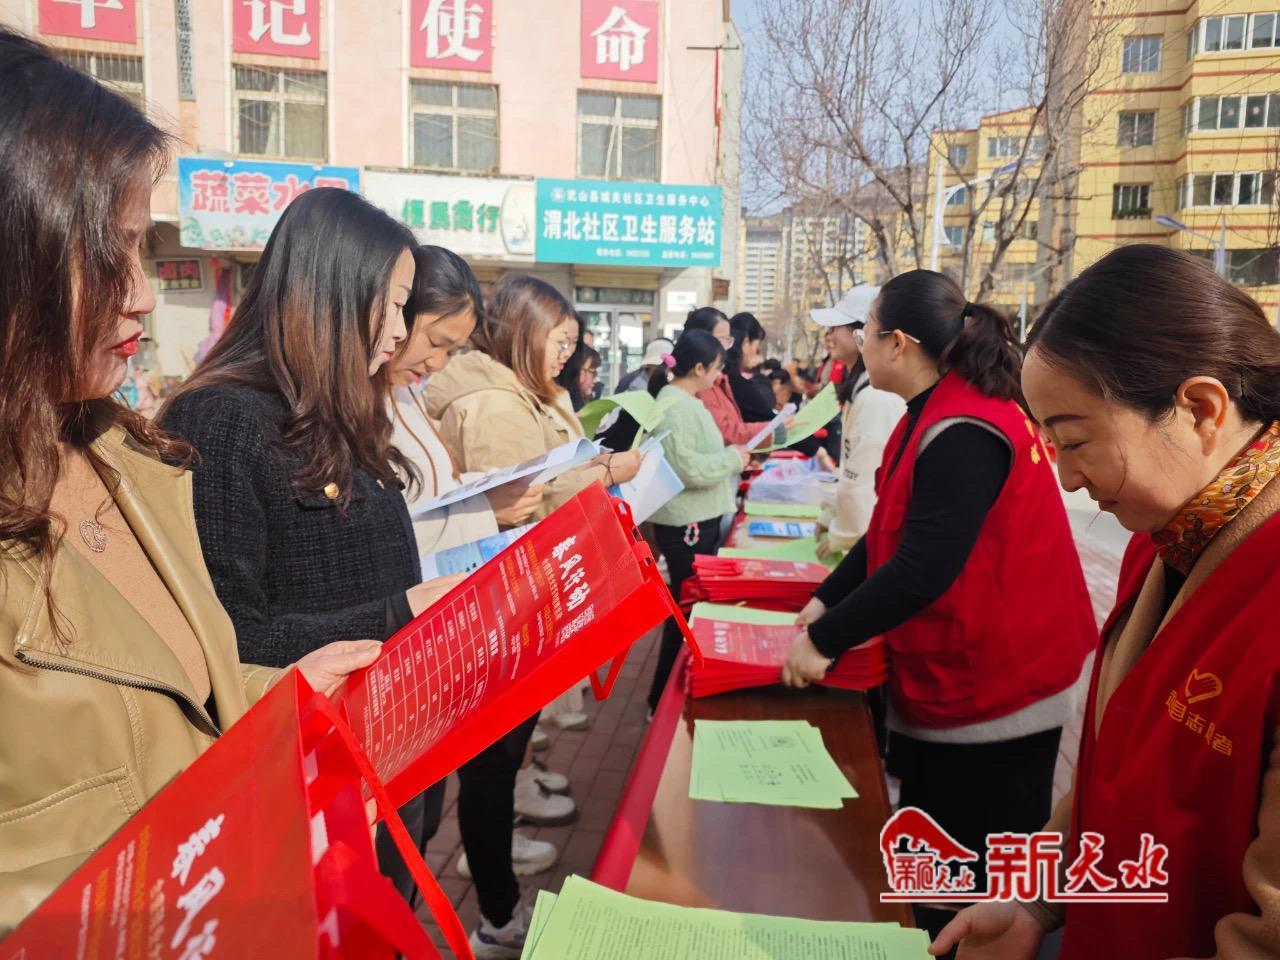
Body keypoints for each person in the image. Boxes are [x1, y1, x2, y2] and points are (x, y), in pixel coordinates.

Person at [0, 29, 382, 930]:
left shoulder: (127, 457)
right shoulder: (221, 423)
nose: (141, 294)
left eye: (144, 249)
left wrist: (282, 701)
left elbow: (178, 707)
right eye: (109, 254)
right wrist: (211, 855)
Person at [933, 245, 1280, 960]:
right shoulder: (1159, 547)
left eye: (1077, 441)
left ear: (1201, 409)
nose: (1066, 478)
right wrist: (1033, 898)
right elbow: (1113, 771)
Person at [158, 188, 465, 910]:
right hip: (308, 781)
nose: (400, 332)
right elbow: (228, 643)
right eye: (393, 306)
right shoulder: (221, 421)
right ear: (332, 291)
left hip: (385, 750)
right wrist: (398, 613)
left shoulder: (341, 411)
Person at [781, 270, 1097, 942]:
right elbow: (890, 533)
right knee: (932, 866)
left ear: (897, 343)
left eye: (866, 332)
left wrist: (823, 641)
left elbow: (923, 566)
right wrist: (823, 602)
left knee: (968, 887)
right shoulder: (933, 412)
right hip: (971, 671)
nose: (860, 343)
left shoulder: (963, 429)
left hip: (998, 690)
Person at [425, 274, 641, 957]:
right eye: (560, 340)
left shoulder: (519, 392)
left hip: (508, 608)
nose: (567, 355)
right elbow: (520, 510)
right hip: (497, 614)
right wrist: (606, 474)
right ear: (522, 330)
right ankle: (497, 917)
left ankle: (496, 876)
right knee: (491, 765)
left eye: (573, 343)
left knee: (499, 762)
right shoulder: (494, 405)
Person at [380, 246, 572, 948]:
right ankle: (496, 912)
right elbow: (406, 522)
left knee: (432, 812)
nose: (435, 360)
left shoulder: (409, 394)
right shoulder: (480, 401)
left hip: (453, 611)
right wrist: (491, 509)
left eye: (452, 346)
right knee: (478, 777)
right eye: (433, 340)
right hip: (454, 613)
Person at [644, 331, 752, 711]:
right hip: (687, 524)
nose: (720, 377)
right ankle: (661, 700)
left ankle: (668, 695)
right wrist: (733, 459)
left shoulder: (684, 401)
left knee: (687, 609)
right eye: (717, 369)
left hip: (695, 519)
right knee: (685, 610)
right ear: (700, 368)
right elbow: (687, 468)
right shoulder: (675, 405)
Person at [810, 286, 905, 560]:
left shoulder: (876, 397)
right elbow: (850, 471)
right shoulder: (862, 388)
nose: (829, 336)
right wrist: (832, 515)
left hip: (867, 546)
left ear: (862, 332)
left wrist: (842, 535)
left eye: (835, 327)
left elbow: (863, 485)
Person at [683, 306, 777, 446]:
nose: (726, 348)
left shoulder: (718, 379)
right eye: (722, 340)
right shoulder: (701, 383)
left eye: (729, 340)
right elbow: (724, 433)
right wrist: (774, 430)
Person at [726, 312, 776, 423]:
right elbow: (769, 421)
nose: (756, 355)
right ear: (745, 343)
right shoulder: (735, 382)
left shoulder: (720, 376)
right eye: (756, 349)